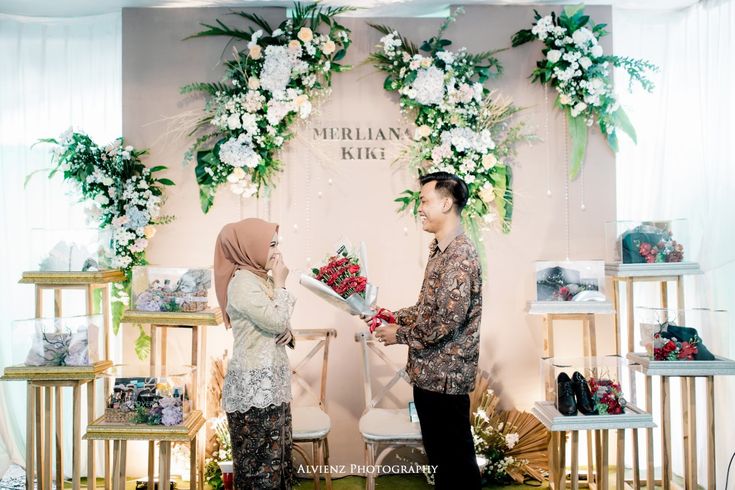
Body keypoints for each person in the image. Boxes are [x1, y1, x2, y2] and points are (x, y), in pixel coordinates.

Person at [369, 172, 483, 489]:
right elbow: (427, 308)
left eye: (424, 201)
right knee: (443, 463)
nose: (419, 208)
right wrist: (392, 315)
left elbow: (446, 322)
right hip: (429, 376)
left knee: (456, 464)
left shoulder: (459, 255)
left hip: (446, 380)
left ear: (446, 203)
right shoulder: (440, 249)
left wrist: (399, 335)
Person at [214, 218, 295, 489]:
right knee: (259, 473)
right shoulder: (242, 283)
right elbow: (274, 321)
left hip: (271, 386)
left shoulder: (260, 279)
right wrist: (282, 283)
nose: (277, 252)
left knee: (277, 466)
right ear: (250, 247)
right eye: (270, 245)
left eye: (276, 244)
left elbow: (277, 321)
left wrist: (289, 332)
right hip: (254, 391)